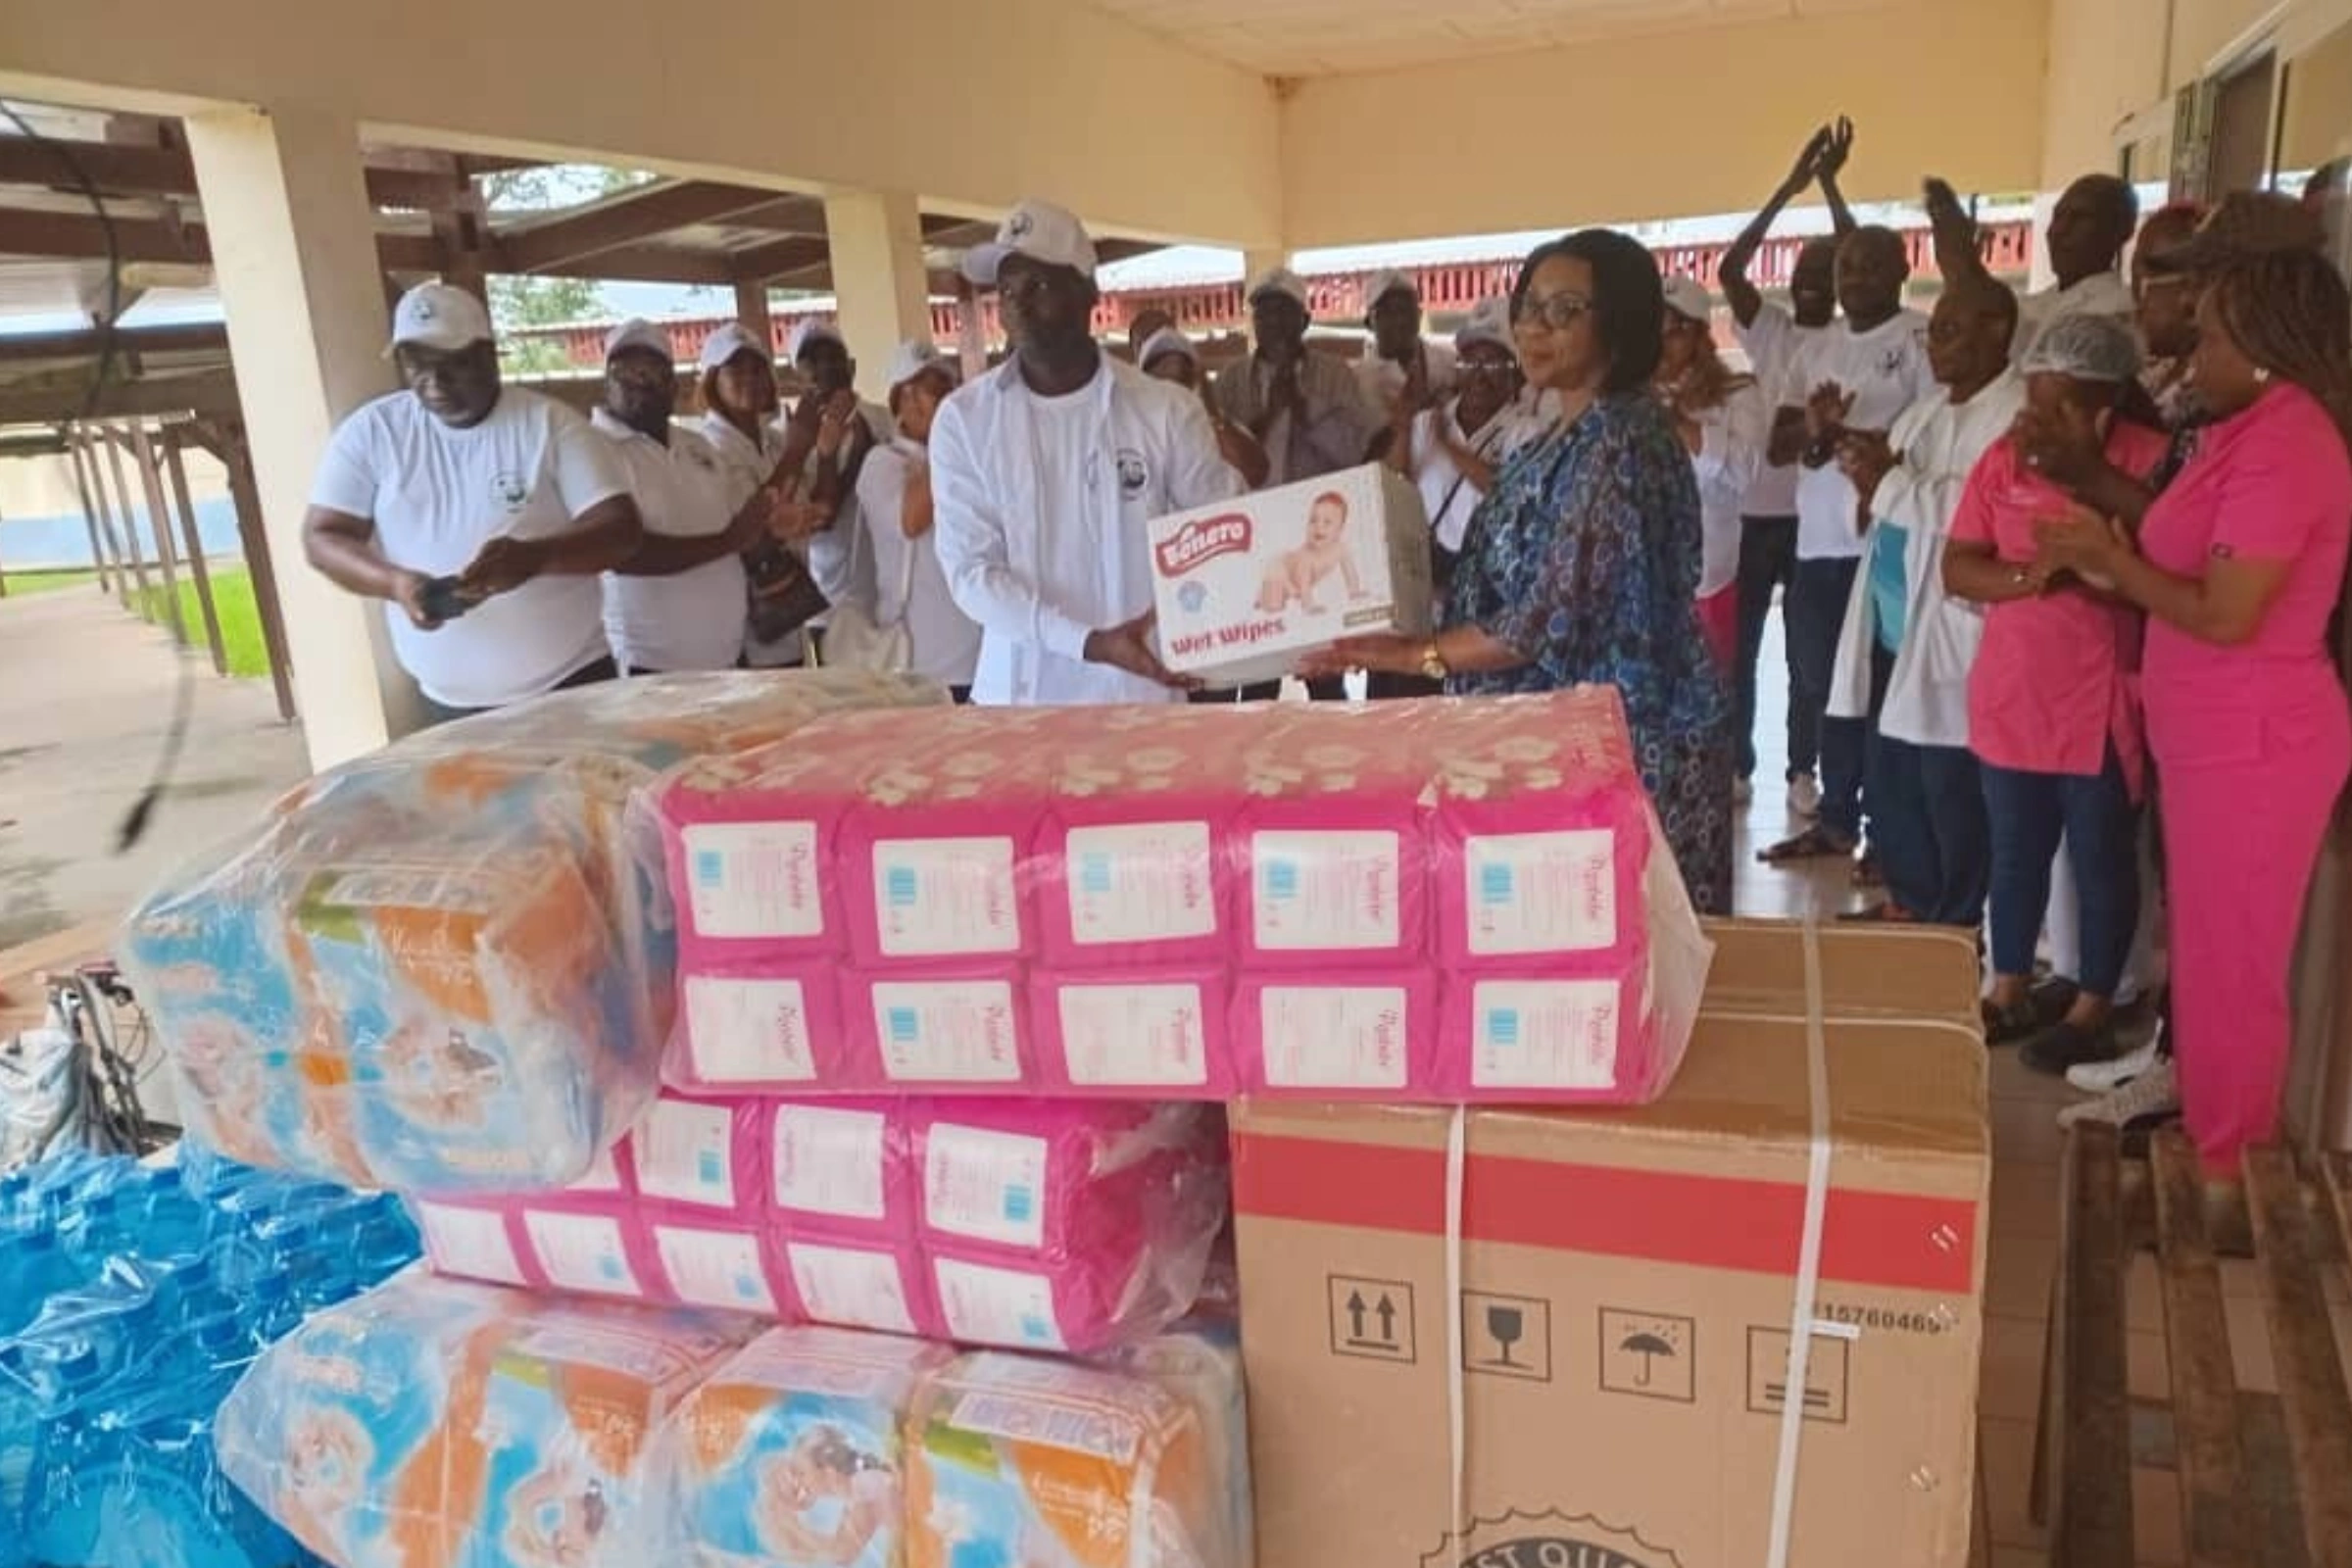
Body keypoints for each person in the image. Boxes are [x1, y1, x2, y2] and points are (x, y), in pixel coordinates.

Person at [2034, 248, 2352, 1178]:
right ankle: (2214, 1145)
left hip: (2257, 745)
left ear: (2260, 345)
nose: (2187, 357)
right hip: (2214, 741)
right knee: (2209, 971)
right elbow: (2186, 575)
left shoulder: (2291, 444)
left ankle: (2229, 1176)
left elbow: (2226, 610)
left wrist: (2113, 555)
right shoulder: (2245, 429)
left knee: (2236, 977)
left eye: (2207, 337)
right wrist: (2105, 564)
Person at [1302, 230, 1735, 913]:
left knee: (1627, 957)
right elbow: (1521, 552)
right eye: (1529, 306)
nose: (1535, 327)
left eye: (1565, 310)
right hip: (1568, 744)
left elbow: (1544, 620)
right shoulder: (1568, 432)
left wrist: (1413, 654)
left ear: (1618, 320)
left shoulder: (1619, 440)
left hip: (1629, 750)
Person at [1943, 314, 2171, 1071]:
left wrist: (2092, 571)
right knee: (2015, 852)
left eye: (2061, 405)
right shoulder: (2005, 460)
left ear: (2106, 406)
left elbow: (2167, 576)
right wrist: (2030, 580)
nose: (2040, 419)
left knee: (2101, 856)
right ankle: (2009, 987)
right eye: (2035, 401)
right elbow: (1958, 567)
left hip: (2099, 698)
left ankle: (2092, 1005)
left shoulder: (2151, 462)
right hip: (2014, 691)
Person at [931, 198, 1244, 706]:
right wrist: (1090, 644)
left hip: (1141, 694)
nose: (1018, 306)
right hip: (1017, 706)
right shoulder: (964, 420)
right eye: (1007, 290)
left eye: (1039, 286)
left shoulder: (1164, 410)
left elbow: (1224, 534)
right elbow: (971, 576)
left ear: (1087, 293)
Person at [302, 282, 643, 721]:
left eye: (452, 363)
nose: (434, 381)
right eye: (416, 364)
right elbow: (322, 536)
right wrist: (396, 584)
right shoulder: (372, 433)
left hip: (570, 689)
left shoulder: (551, 424)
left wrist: (535, 557)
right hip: (448, 707)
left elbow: (621, 530)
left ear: (488, 355)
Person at [1824, 279, 2023, 930]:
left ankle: (1958, 916)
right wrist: (1863, 458)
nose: (1936, 346)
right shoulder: (1930, 408)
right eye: (1935, 332)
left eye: (1952, 331)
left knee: (1950, 785)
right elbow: (1892, 483)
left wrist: (1887, 479)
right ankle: (1910, 896)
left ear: (1998, 330)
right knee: (1891, 780)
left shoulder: (2016, 412)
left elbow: (1979, 509)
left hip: (1952, 629)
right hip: (1891, 621)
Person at [1758, 224, 1932, 870]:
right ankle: (1834, 822)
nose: (1852, 278)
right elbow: (1777, 445)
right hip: (1817, 546)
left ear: (1900, 269)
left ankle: (1889, 836)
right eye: (1845, 268)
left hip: (1887, 548)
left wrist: (1842, 431)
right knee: (1823, 686)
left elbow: (1925, 439)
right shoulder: (1817, 348)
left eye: (1868, 265)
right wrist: (1814, 427)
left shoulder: (1918, 340)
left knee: (1883, 692)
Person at [1720, 118, 1856, 811]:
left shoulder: (1841, 336)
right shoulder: (1768, 325)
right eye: (1800, 272)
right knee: (1741, 652)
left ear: (1837, 284)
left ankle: (1802, 769)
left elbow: (1864, 253)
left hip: (1811, 522)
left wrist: (1832, 188)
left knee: (1808, 657)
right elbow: (1730, 269)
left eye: (1821, 274)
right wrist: (1790, 188)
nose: (1807, 283)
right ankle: (1739, 764)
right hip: (1751, 514)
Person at [590, 319, 798, 674]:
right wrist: (727, 541)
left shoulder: (696, 446)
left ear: (673, 383)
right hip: (652, 666)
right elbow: (621, 551)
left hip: (730, 656)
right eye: (625, 371)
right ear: (607, 383)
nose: (639, 382)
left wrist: (773, 526)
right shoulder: (594, 450)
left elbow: (743, 532)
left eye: (652, 371)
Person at [852, 341, 983, 700]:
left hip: (979, 654)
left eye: (946, 389)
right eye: (929, 391)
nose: (943, 401)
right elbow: (910, 520)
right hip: (924, 663)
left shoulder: (964, 459)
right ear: (900, 400)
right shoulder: (882, 462)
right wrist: (949, 443)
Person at [1656, 274, 1766, 673]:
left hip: (1707, 581)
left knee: (1712, 707)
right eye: (1654, 328)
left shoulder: (1737, 393)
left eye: (1676, 330)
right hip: (1641, 587)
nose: (1663, 341)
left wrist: (1679, 424)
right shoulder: (1625, 396)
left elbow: (1744, 471)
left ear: (1701, 336)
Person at [696, 322, 821, 670]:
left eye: (757, 369)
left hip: (787, 610)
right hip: (741, 621)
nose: (749, 379)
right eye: (734, 369)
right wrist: (797, 452)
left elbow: (813, 505)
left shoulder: (774, 441)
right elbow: (751, 528)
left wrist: (820, 448)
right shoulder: (707, 448)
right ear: (712, 380)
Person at [1931, 172, 2137, 355]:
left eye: (2079, 218)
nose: (2059, 230)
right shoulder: (2035, 304)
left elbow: (2024, 345)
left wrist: (1965, 267)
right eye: (2057, 217)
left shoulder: (2120, 309)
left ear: (2121, 231)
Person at [1213, 267, 1382, 486]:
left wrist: (1304, 409)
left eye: (1283, 311)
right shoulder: (1230, 380)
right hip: (1254, 507)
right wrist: (1269, 414)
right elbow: (1217, 459)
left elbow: (1355, 453)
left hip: (1319, 507)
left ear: (1304, 320)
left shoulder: (1335, 374)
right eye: (1264, 313)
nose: (1273, 321)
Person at [785, 319, 893, 633]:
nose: (825, 367)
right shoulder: (792, 434)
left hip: (887, 582)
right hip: (829, 591)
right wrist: (854, 457)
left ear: (852, 365)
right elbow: (820, 515)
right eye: (812, 361)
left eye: (834, 357)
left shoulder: (882, 418)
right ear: (798, 374)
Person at [1139, 327, 1271, 487]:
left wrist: (1212, 413)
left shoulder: (1214, 424)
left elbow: (1256, 473)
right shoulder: (1131, 430)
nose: (1172, 393)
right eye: (1160, 367)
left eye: (1182, 370)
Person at [1355, 268, 1457, 420]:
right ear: (1369, 322)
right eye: (1387, 312)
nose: (1399, 321)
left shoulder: (1452, 363)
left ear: (1419, 315)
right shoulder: (1358, 381)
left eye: (1405, 310)